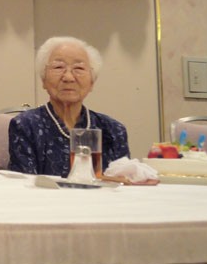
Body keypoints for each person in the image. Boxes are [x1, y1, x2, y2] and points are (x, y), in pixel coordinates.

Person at [8, 36, 129, 177]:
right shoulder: (26, 126)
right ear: (43, 80)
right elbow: (24, 184)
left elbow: (124, 184)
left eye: (79, 68)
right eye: (58, 67)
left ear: (92, 82)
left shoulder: (113, 130)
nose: (69, 77)